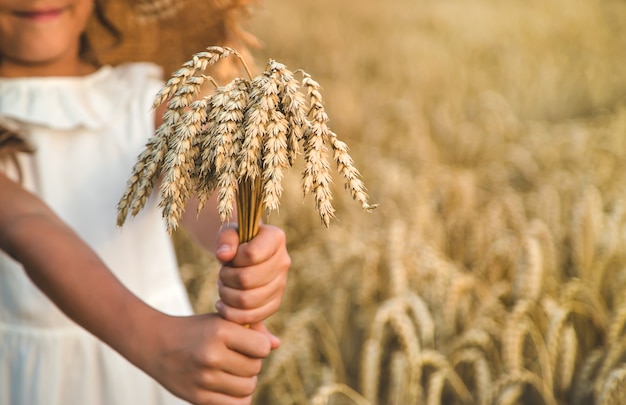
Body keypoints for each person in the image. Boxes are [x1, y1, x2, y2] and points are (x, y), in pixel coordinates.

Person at [0, 1, 290, 405]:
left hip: (170, 359)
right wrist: (155, 342)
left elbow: (197, 175)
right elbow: (26, 226)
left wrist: (243, 240)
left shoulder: (147, 94)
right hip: (54, 374)